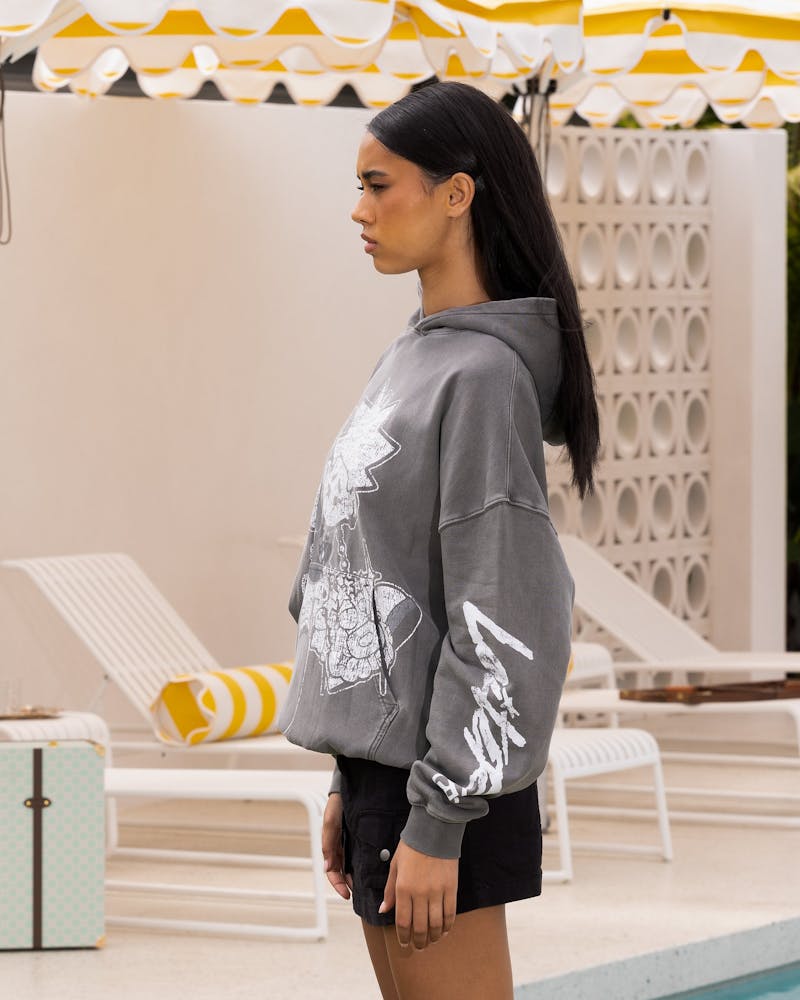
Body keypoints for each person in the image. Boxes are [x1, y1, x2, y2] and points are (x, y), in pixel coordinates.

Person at [278, 81, 600, 1000]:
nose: (359, 210)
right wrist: (348, 776)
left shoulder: (484, 375)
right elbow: (361, 573)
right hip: (388, 777)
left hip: (441, 789)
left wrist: (439, 817)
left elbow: (505, 616)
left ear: (456, 194)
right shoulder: (413, 354)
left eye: (379, 185)